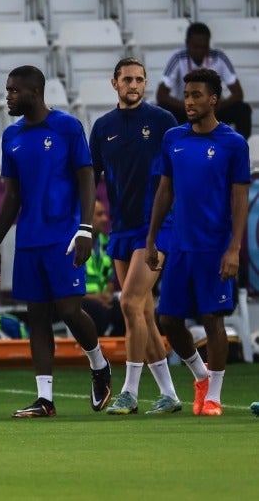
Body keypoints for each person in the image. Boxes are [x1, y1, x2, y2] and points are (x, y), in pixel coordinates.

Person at [0, 65, 112, 418]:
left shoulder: (68, 127)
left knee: (70, 309)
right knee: (37, 316)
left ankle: (99, 365)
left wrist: (85, 228)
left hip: (64, 235)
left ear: (34, 92)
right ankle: (45, 399)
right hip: (29, 239)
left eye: (13, 90)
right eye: (7, 90)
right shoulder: (11, 136)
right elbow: (11, 196)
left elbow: (87, 178)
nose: (7, 96)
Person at [146, 68, 249, 417]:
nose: (189, 101)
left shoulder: (233, 143)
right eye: (186, 95)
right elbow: (164, 190)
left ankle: (214, 397)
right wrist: (151, 239)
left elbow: (239, 199)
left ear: (213, 99)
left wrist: (234, 248)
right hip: (180, 245)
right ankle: (201, 376)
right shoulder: (173, 138)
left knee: (211, 318)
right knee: (169, 320)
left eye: (196, 95)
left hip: (215, 246)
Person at [89, 58, 182, 415]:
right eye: (127, 79)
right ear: (114, 83)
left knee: (128, 303)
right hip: (121, 228)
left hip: (156, 227)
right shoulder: (102, 128)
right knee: (142, 310)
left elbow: (178, 174)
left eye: (140, 79)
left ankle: (128, 391)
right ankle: (170, 393)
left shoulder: (163, 122)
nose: (134, 84)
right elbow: (91, 178)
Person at [156, 22, 252, 139]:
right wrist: (186, 106)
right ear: (187, 43)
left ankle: (238, 149)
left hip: (213, 111)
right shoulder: (178, 58)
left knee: (243, 109)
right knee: (161, 110)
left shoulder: (219, 57)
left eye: (204, 47)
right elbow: (161, 95)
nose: (200, 51)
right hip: (186, 110)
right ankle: (168, 151)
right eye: (196, 47)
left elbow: (238, 93)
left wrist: (218, 105)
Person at [81, 199, 124, 338]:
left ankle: (118, 352)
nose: (105, 219)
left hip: (101, 299)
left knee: (124, 309)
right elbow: (65, 288)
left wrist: (106, 295)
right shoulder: (73, 245)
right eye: (99, 214)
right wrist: (96, 298)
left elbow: (109, 278)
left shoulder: (106, 244)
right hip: (80, 300)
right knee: (99, 311)